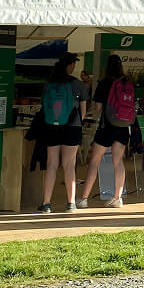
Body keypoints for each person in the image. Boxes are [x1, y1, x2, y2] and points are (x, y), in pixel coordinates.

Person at [77, 54, 134, 209]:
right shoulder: (126, 82)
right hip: (123, 127)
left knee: (94, 161)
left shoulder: (104, 83)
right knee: (118, 161)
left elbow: (98, 108)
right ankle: (117, 198)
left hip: (106, 126)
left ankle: (83, 199)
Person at [39, 52, 89, 213]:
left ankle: (46, 203)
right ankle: (71, 203)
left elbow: (45, 108)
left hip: (52, 127)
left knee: (52, 164)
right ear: (71, 65)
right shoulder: (79, 85)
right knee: (69, 165)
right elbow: (83, 112)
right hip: (72, 128)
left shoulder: (49, 84)